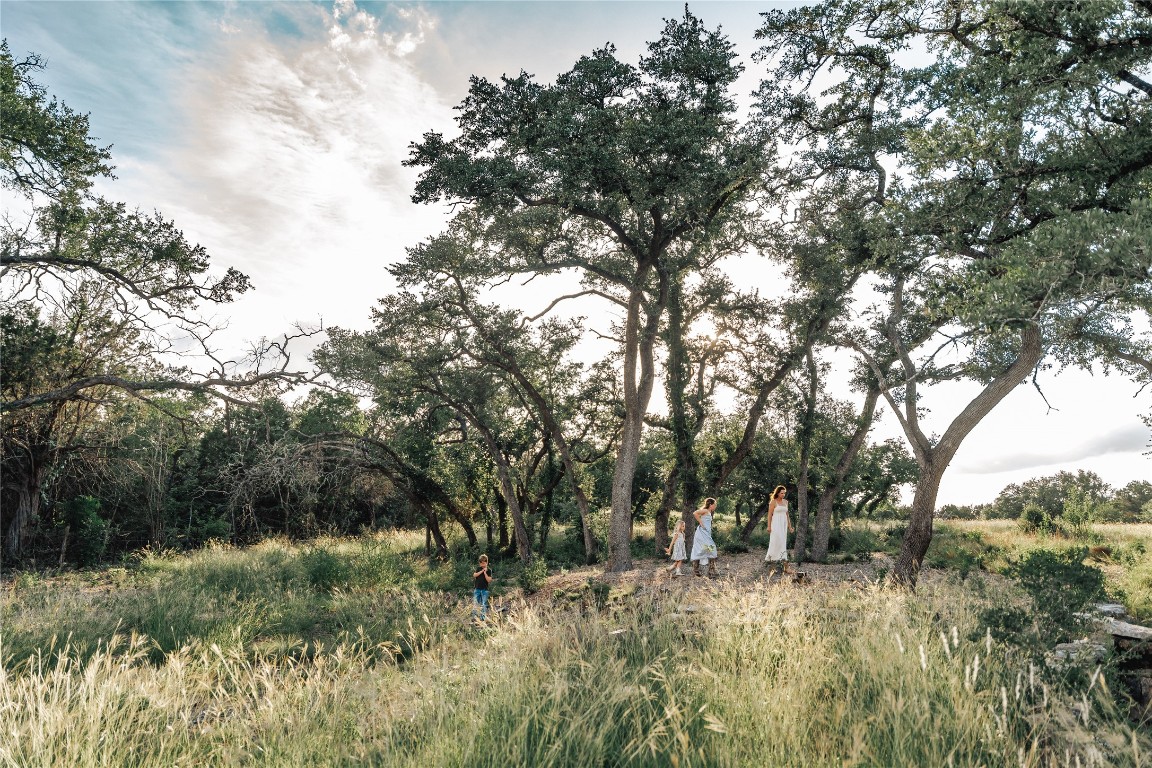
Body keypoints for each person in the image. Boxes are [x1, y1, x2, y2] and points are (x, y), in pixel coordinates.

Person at [764, 485, 792, 573]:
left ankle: (786, 567)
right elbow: (769, 515)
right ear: (778, 493)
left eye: (784, 493)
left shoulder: (786, 502)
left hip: (783, 525)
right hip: (775, 525)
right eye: (781, 493)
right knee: (775, 543)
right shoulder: (773, 502)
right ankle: (772, 566)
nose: (783, 494)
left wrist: (790, 526)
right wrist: (769, 526)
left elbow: (787, 516)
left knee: (783, 544)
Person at [690, 497, 720, 577]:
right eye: (714, 505)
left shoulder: (709, 512)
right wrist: (700, 522)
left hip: (706, 534)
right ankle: (703, 571)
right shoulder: (706, 511)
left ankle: (710, 570)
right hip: (701, 534)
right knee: (711, 549)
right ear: (710, 505)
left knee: (708, 550)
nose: (715, 506)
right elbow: (695, 513)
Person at [472, 554, 492, 621]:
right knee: (475, 603)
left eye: (483, 563)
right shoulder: (478, 569)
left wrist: (485, 573)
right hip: (477, 589)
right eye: (480, 563)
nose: (482, 565)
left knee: (484, 604)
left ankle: (482, 618)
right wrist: (481, 571)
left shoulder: (489, 570)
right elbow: (474, 575)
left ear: (486, 562)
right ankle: (474, 617)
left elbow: (489, 580)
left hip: (484, 590)